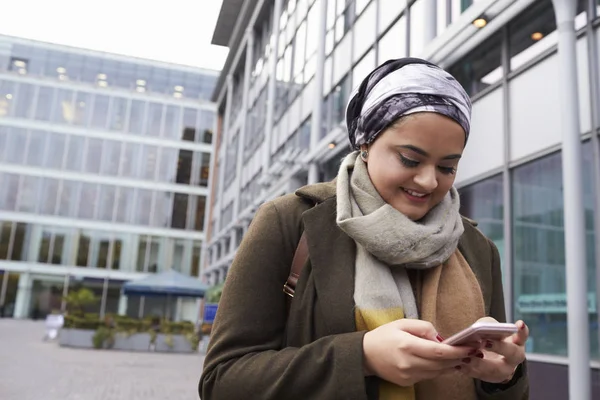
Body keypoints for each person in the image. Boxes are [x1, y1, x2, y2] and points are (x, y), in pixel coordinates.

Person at [199, 58, 529, 400]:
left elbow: (509, 391)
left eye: (447, 167)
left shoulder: (476, 247)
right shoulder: (289, 221)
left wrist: (503, 377)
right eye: (410, 160)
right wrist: (362, 357)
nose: (429, 180)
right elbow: (221, 381)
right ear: (366, 143)